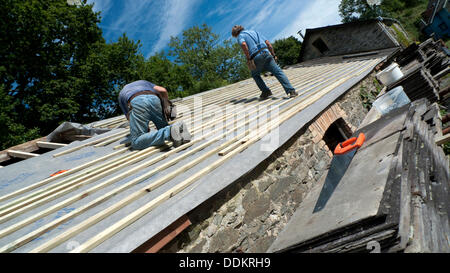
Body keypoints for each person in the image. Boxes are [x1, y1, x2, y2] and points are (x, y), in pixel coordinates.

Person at [118, 80, 191, 150]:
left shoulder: (122, 93)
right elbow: (163, 90)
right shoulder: (143, 82)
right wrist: (166, 102)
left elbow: (129, 118)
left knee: (137, 141)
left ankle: (170, 131)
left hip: (137, 101)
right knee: (163, 127)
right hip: (155, 99)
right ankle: (177, 130)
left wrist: (143, 126)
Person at [232, 25, 298, 100]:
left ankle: (266, 91)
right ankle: (291, 91)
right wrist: (273, 55)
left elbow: (244, 44)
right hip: (266, 53)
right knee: (278, 72)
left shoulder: (240, 36)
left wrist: (248, 58)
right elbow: (268, 43)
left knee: (255, 75)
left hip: (256, 57)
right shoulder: (254, 32)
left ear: (235, 34)